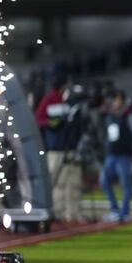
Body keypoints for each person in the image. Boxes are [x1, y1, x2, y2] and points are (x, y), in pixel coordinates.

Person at [43, 83, 90, 223]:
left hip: (72, 150)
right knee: (59, 183)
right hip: (58, 150)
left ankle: (73, 213)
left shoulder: (76, 113)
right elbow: (49, 124)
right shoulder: (57, 109)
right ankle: (59, 212)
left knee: (74, 183)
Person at [99, 89, 132, 222]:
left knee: (125, 185)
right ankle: (115, 210)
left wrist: (130, 148)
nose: (113, 102)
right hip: (111, 155)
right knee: (104, 182)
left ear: (122, 101)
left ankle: (125, 213)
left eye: (116, 99)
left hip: (124, 156)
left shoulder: (129, 116)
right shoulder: (110, 117)